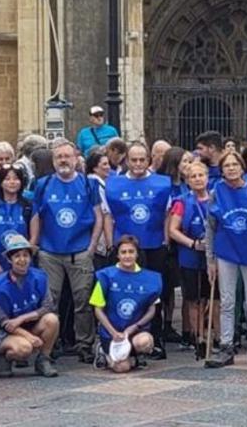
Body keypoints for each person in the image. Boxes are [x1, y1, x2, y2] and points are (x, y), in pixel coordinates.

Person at [29, 138, 103, 364]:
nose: (63, 160)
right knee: (51, 302)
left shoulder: (88, 184)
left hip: (80, 251)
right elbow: (35, 216)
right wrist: (35, 243)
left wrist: (91, 247)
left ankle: (84, 344)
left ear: (75, 159)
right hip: (50, 252)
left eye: (67, 156)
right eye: (59, 157)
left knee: (83, 301)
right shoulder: (43, 184)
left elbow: (99, 216)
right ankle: (54, 342)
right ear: (53, 160)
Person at [104, 142, 173, 359]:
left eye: (142, 159)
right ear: (126, 160)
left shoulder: (162, 184)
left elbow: (167, 213)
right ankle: (121, 338)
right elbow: (108, 215)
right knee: (123, 293)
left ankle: (155, 339)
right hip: (126, 249)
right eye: (134, 160)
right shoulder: (113, 184)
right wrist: (109, 242)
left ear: (148, 160)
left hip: (154, 246)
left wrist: (166, 239)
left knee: (155, 295)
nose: (138, 164)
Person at [204, 151, 247, 368]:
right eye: (227, 165)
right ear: (221, 169)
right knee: (227, 301)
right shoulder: (217, 192)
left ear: (242, 167)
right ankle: (226, 345)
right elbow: (211, 227)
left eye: (235, 165)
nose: (231, 169)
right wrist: (210, 259)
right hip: (226, 252)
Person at [0, 235, 59, 377]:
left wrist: (22, 318)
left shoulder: (40, 277)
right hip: (4, 332)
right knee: (24, 349)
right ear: (9, 259)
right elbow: (4, 322)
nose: (22, 260)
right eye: (17, 256)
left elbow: (48, 305)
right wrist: (28, 337)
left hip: (28, 324)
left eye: (26, 255)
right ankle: (4, 357)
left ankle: (43, 360)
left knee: (52, 319)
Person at [168, 162, 219, 355]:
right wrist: (192, 244)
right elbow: (172, 230)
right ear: (188, 181)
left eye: (201, 175)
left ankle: (217, 337)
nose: (198, 179)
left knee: (215, 299)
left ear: (207, 177)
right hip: (190, 254)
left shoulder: (216, 199)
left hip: (214, 256)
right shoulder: (182, 201)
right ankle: (198, 337)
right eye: (193, 176)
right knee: (194, 299)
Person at [90, 236, 162, 372]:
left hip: (135, 331)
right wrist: (113, 332)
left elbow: (152, 309)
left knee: (145, 342)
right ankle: (105, 352)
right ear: (117, 255)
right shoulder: (105, 276)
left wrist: (134, 327)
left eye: (131, 251)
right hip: (112, 332)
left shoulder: (150, 278)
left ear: (137, 254)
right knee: (122, 368)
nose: (127, 256)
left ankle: (135, 356)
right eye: (123, 252)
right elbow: (98, 309)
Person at [0, 164, 32, 276]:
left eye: (16, 179)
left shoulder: (28, 206)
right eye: (7, 179)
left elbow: (34, 238)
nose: (12, 182)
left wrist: (24, 260)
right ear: (0, 182)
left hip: (22, 263)